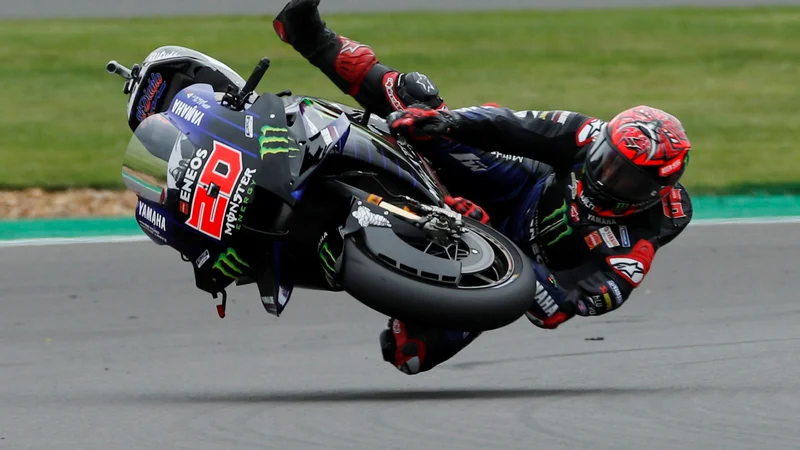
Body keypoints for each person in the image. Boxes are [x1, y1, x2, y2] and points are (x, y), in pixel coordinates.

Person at [273, 0, 694, 375]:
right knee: (415, 103)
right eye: (607, 160)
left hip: (514, 270)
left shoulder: (636, 246)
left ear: (655, 189)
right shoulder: (588, 135)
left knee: (408, 353)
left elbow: (555, 312)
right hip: (518, 186)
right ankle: (310, 37)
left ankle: (376, 237)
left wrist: (487, 237)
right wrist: (446, 122)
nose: (606, 174)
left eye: (626, 177)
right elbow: (511, 125)